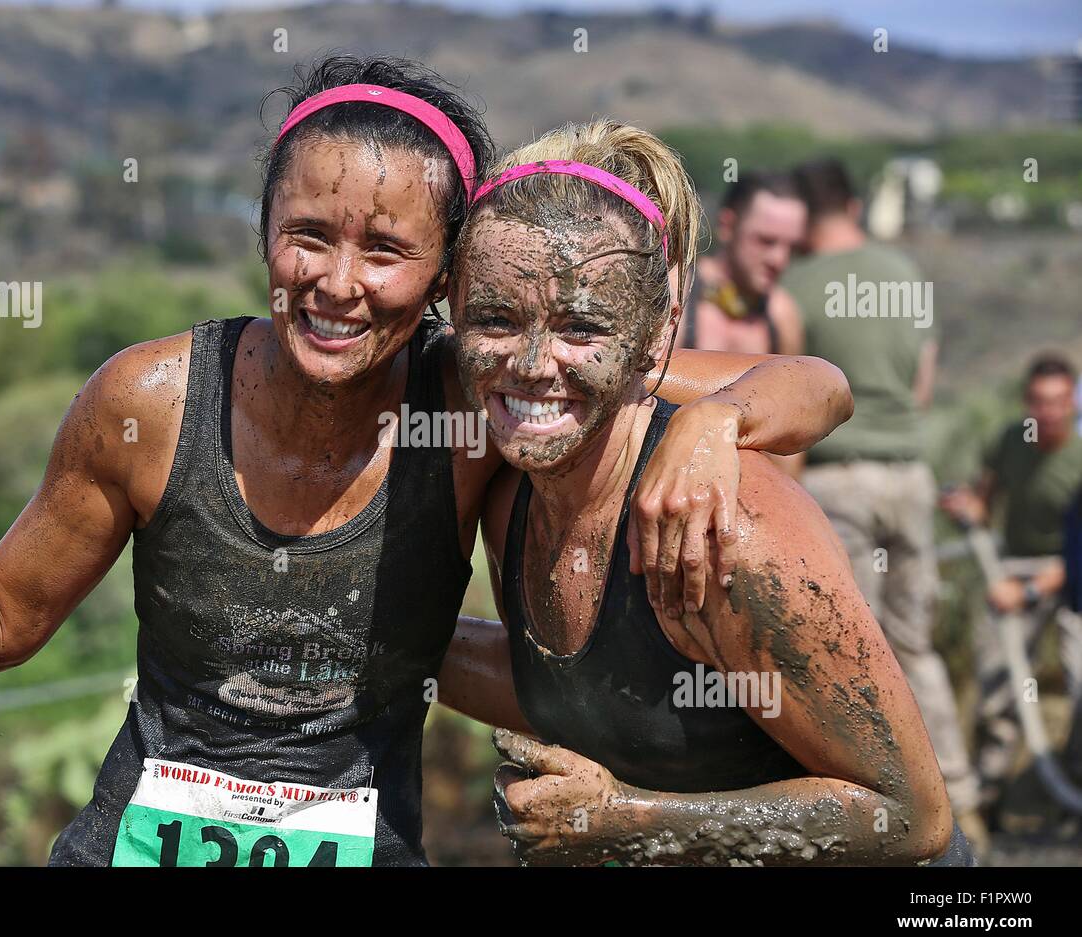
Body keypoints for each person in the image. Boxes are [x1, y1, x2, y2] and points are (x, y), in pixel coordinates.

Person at [0, 55, 851, 867]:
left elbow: (813, 385)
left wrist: (721, 423)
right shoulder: (150, 404)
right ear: (262, 235)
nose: (337, 282)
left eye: (384, 251)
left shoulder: (473, 392)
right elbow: (0, 618)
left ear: (444, 280)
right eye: (308, 234)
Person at [442, 119, 967, 865]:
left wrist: (618, 821)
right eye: (494, 319)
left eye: (580, 327)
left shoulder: (725, 536)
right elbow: (584, 687)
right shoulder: (514, 497)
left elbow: (911, 818)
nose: (531, 362)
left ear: (655, 338)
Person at [780, 157, 983, 850]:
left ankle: (877, 803)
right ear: (856, 206)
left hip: (841, 481)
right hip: (911, 476)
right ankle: (958, 794)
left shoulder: (795, 284)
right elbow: (923, 389)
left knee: (849, 652)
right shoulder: (904, 273)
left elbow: (794, 391)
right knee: (915, 643)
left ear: (807, 214)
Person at [941, 353, 1082, 813]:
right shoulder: (1011, 441)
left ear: (1073, 404)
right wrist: (967, 508)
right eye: (1040, 402)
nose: (1050, 413)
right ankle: (988, 802)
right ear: (1026, 403)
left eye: (1060, 402)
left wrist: (1033, 590)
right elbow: (985, 499)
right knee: (998, 692)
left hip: (1070, 573)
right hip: (1013, 568)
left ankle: (1071, 790)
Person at [682, 171, 804, 356]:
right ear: (727, 226)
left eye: (792, 247)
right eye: (766, 241)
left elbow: (793, 383)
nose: (779, 260)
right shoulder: (678, 292)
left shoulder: (781, 315)